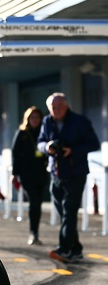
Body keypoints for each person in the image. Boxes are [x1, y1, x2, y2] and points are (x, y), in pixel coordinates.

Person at [37, 92, 100, 263]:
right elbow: (40, 142)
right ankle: (76, 249)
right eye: (52, 108)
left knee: (69, 211)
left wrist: (72, 150)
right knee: (64, 213)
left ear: (66, 106)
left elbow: (94, 143)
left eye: (59, 107)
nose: (55, 110)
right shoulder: (46, 121)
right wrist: (47, 147)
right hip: (56, 172)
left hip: (76, 172)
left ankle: (64, 249)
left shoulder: (80, 121)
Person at [11, 106, 48, 245]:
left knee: (38, 202)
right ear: (28, 119)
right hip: (26, 174)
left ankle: (35, 232)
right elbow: (15, 154)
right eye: (32, 117)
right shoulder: (22, 133)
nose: (35, 120)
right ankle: (33, 233)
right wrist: (14, 174)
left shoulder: (44, 133)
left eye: (37, 117)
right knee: (34, 201)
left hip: (41, 173)